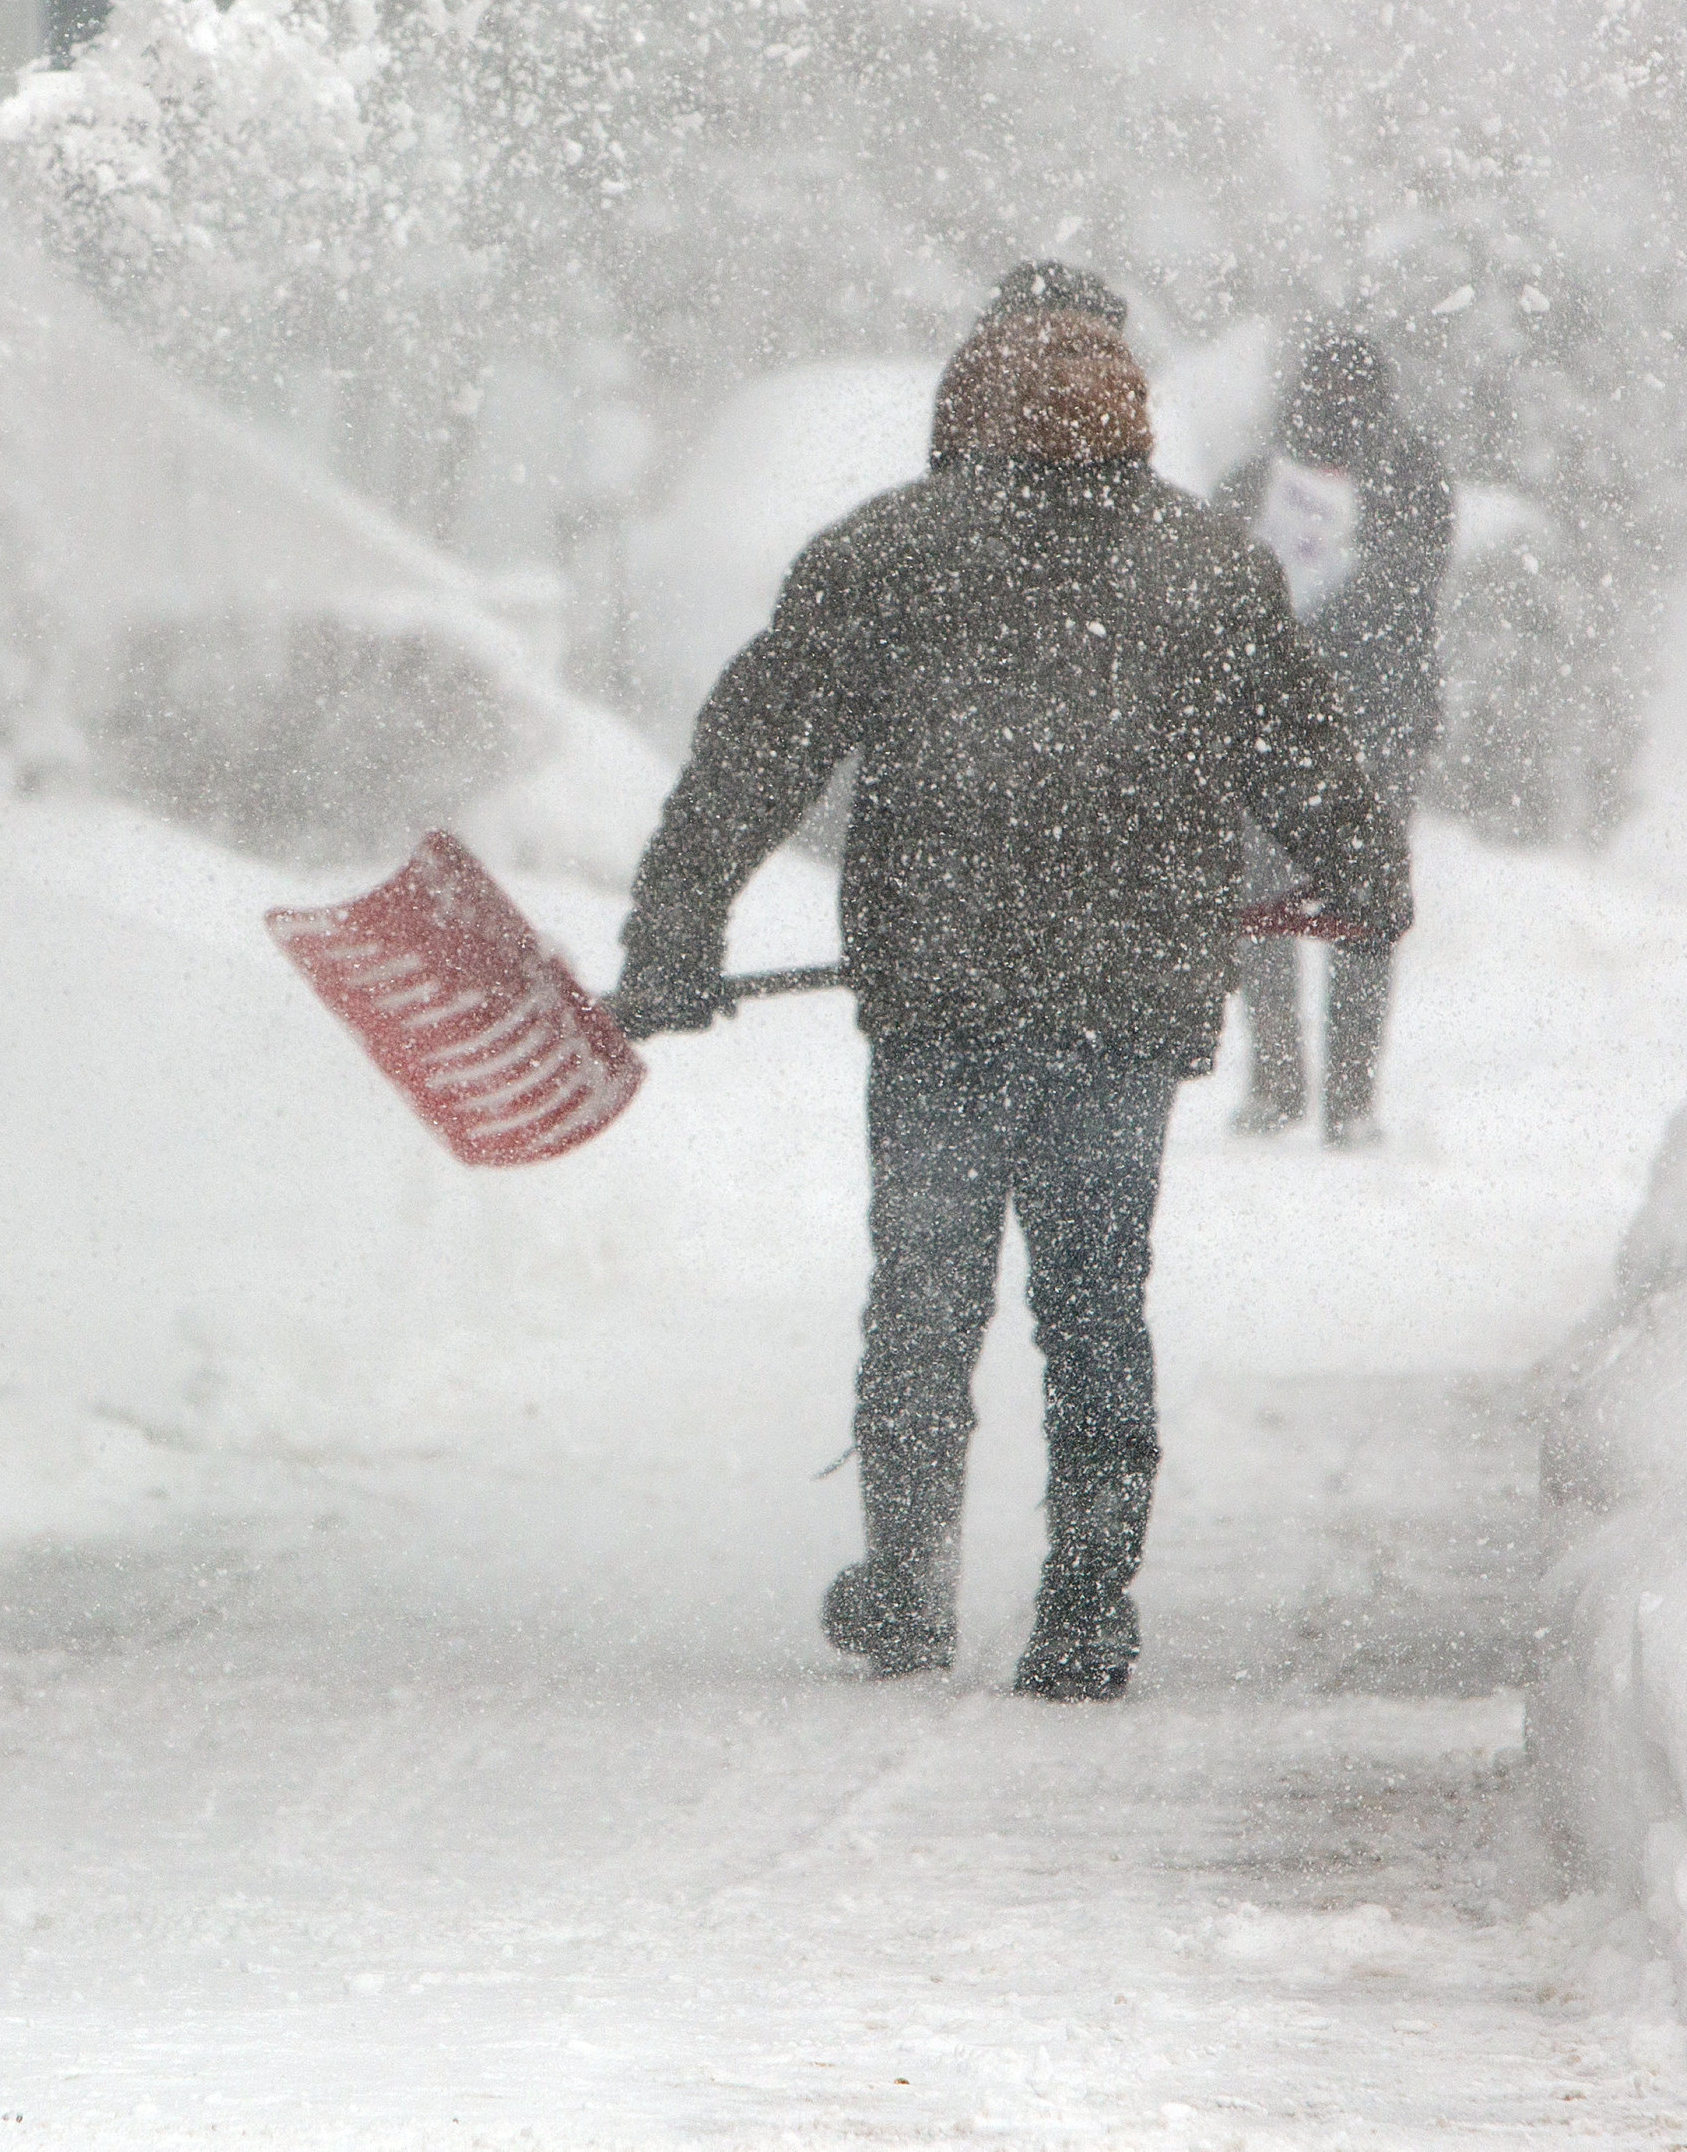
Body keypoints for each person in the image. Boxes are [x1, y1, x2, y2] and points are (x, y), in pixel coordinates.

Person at [605, 266, 1409, 1701]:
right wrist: (1366, 880)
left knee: (925, 1295)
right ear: (1129, 418)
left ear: (957, 411)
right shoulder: (1210, 568)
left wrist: (675, 930)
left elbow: (751, 754)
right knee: (1097, 1299)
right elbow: (1309, 752)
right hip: (1126, 1001)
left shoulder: (887, 554)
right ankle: (1089, 1608)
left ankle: (908, 1589)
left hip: (944, 1004)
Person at [1217, 324, 1452, 1146]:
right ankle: (1337, 1100)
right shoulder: (1409, 478)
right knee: (1348, 908)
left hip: (1300, 726)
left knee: (1275, 905)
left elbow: (1219, 589)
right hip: (1362, 729)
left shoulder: (1264, 482)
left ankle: (1293, 1087)